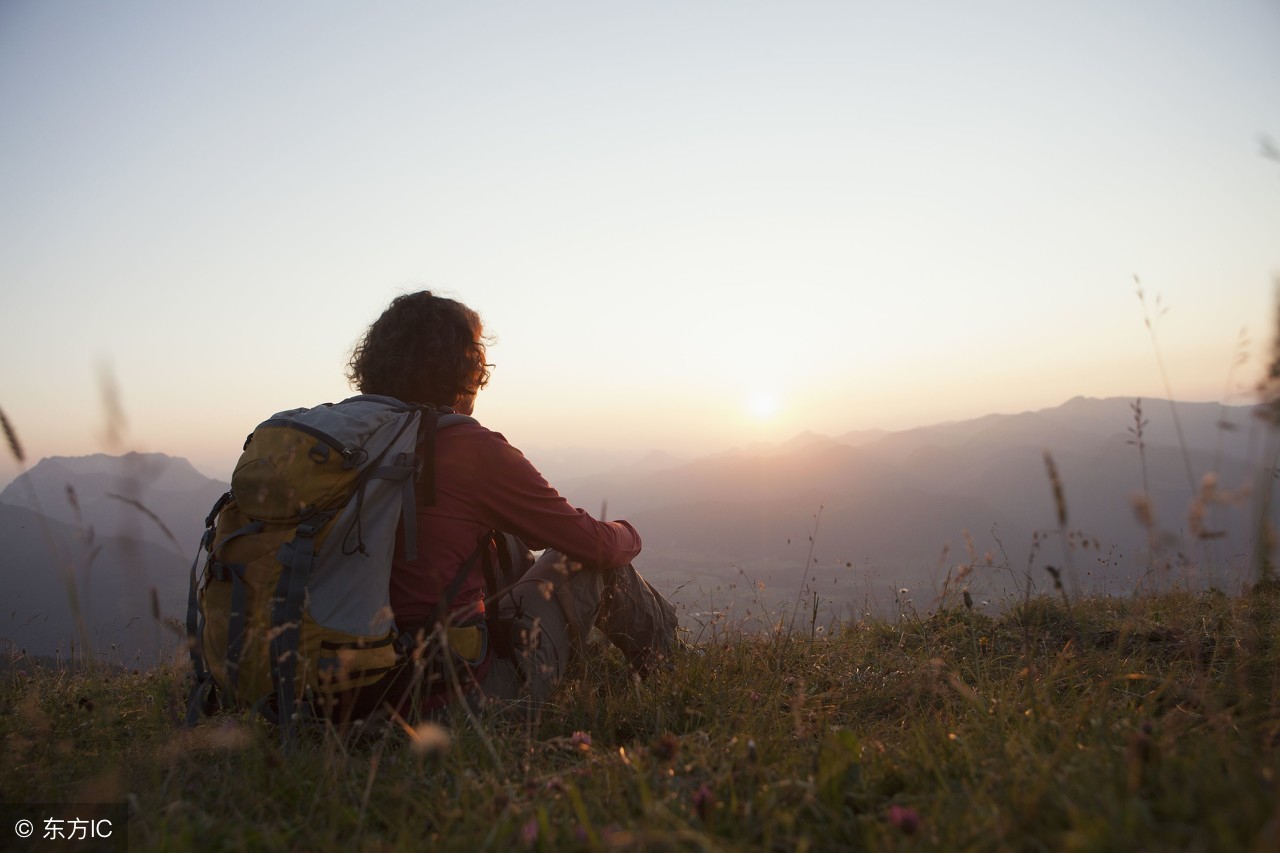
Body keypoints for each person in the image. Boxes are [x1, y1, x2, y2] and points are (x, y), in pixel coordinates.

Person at [342, 290, 677, 718]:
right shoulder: (466, 446)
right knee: (582, 561)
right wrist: (628, 532)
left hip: (336, 698)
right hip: (447, 700)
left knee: (511, 545)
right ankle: (677, 678)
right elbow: (594, 545)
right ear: (466, 367)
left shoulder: (340, 443)